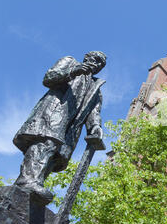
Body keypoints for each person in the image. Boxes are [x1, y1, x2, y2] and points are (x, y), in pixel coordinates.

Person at [13, 51, 107, 201]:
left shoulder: (96, 88)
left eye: (100, 65)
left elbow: (94, 112)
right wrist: (73, 71)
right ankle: (27, 181)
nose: (96, 65)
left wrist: (95, 126)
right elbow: (49, 78)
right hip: (53, 113)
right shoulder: (70, 62)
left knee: (56, 156)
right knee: (45, 144)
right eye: (95, 60)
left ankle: (35, 184)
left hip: (70, 130)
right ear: (87, 57)